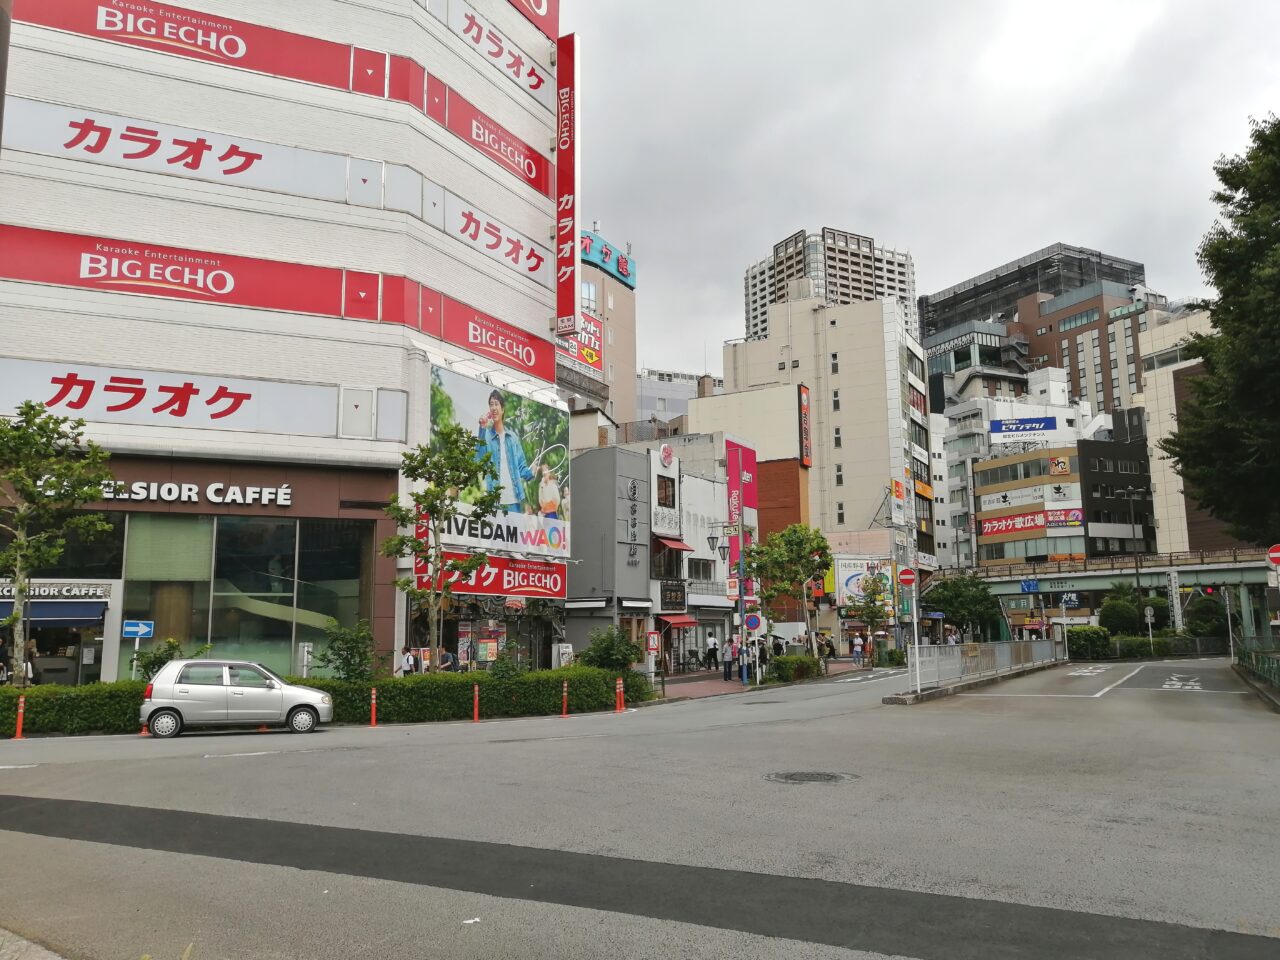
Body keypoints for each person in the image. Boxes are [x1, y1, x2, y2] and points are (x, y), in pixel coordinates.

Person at [477, 390, 534, 514]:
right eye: (491, 404)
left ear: (502, 409)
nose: (493, 407)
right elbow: (479, 460)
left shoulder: (512, 438)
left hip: (514, 500)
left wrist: (533, 472)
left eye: (496, 404)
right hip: (495, 502)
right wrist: (482, 428)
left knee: (516, 533)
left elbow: (521, 467)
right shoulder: (486, 436)